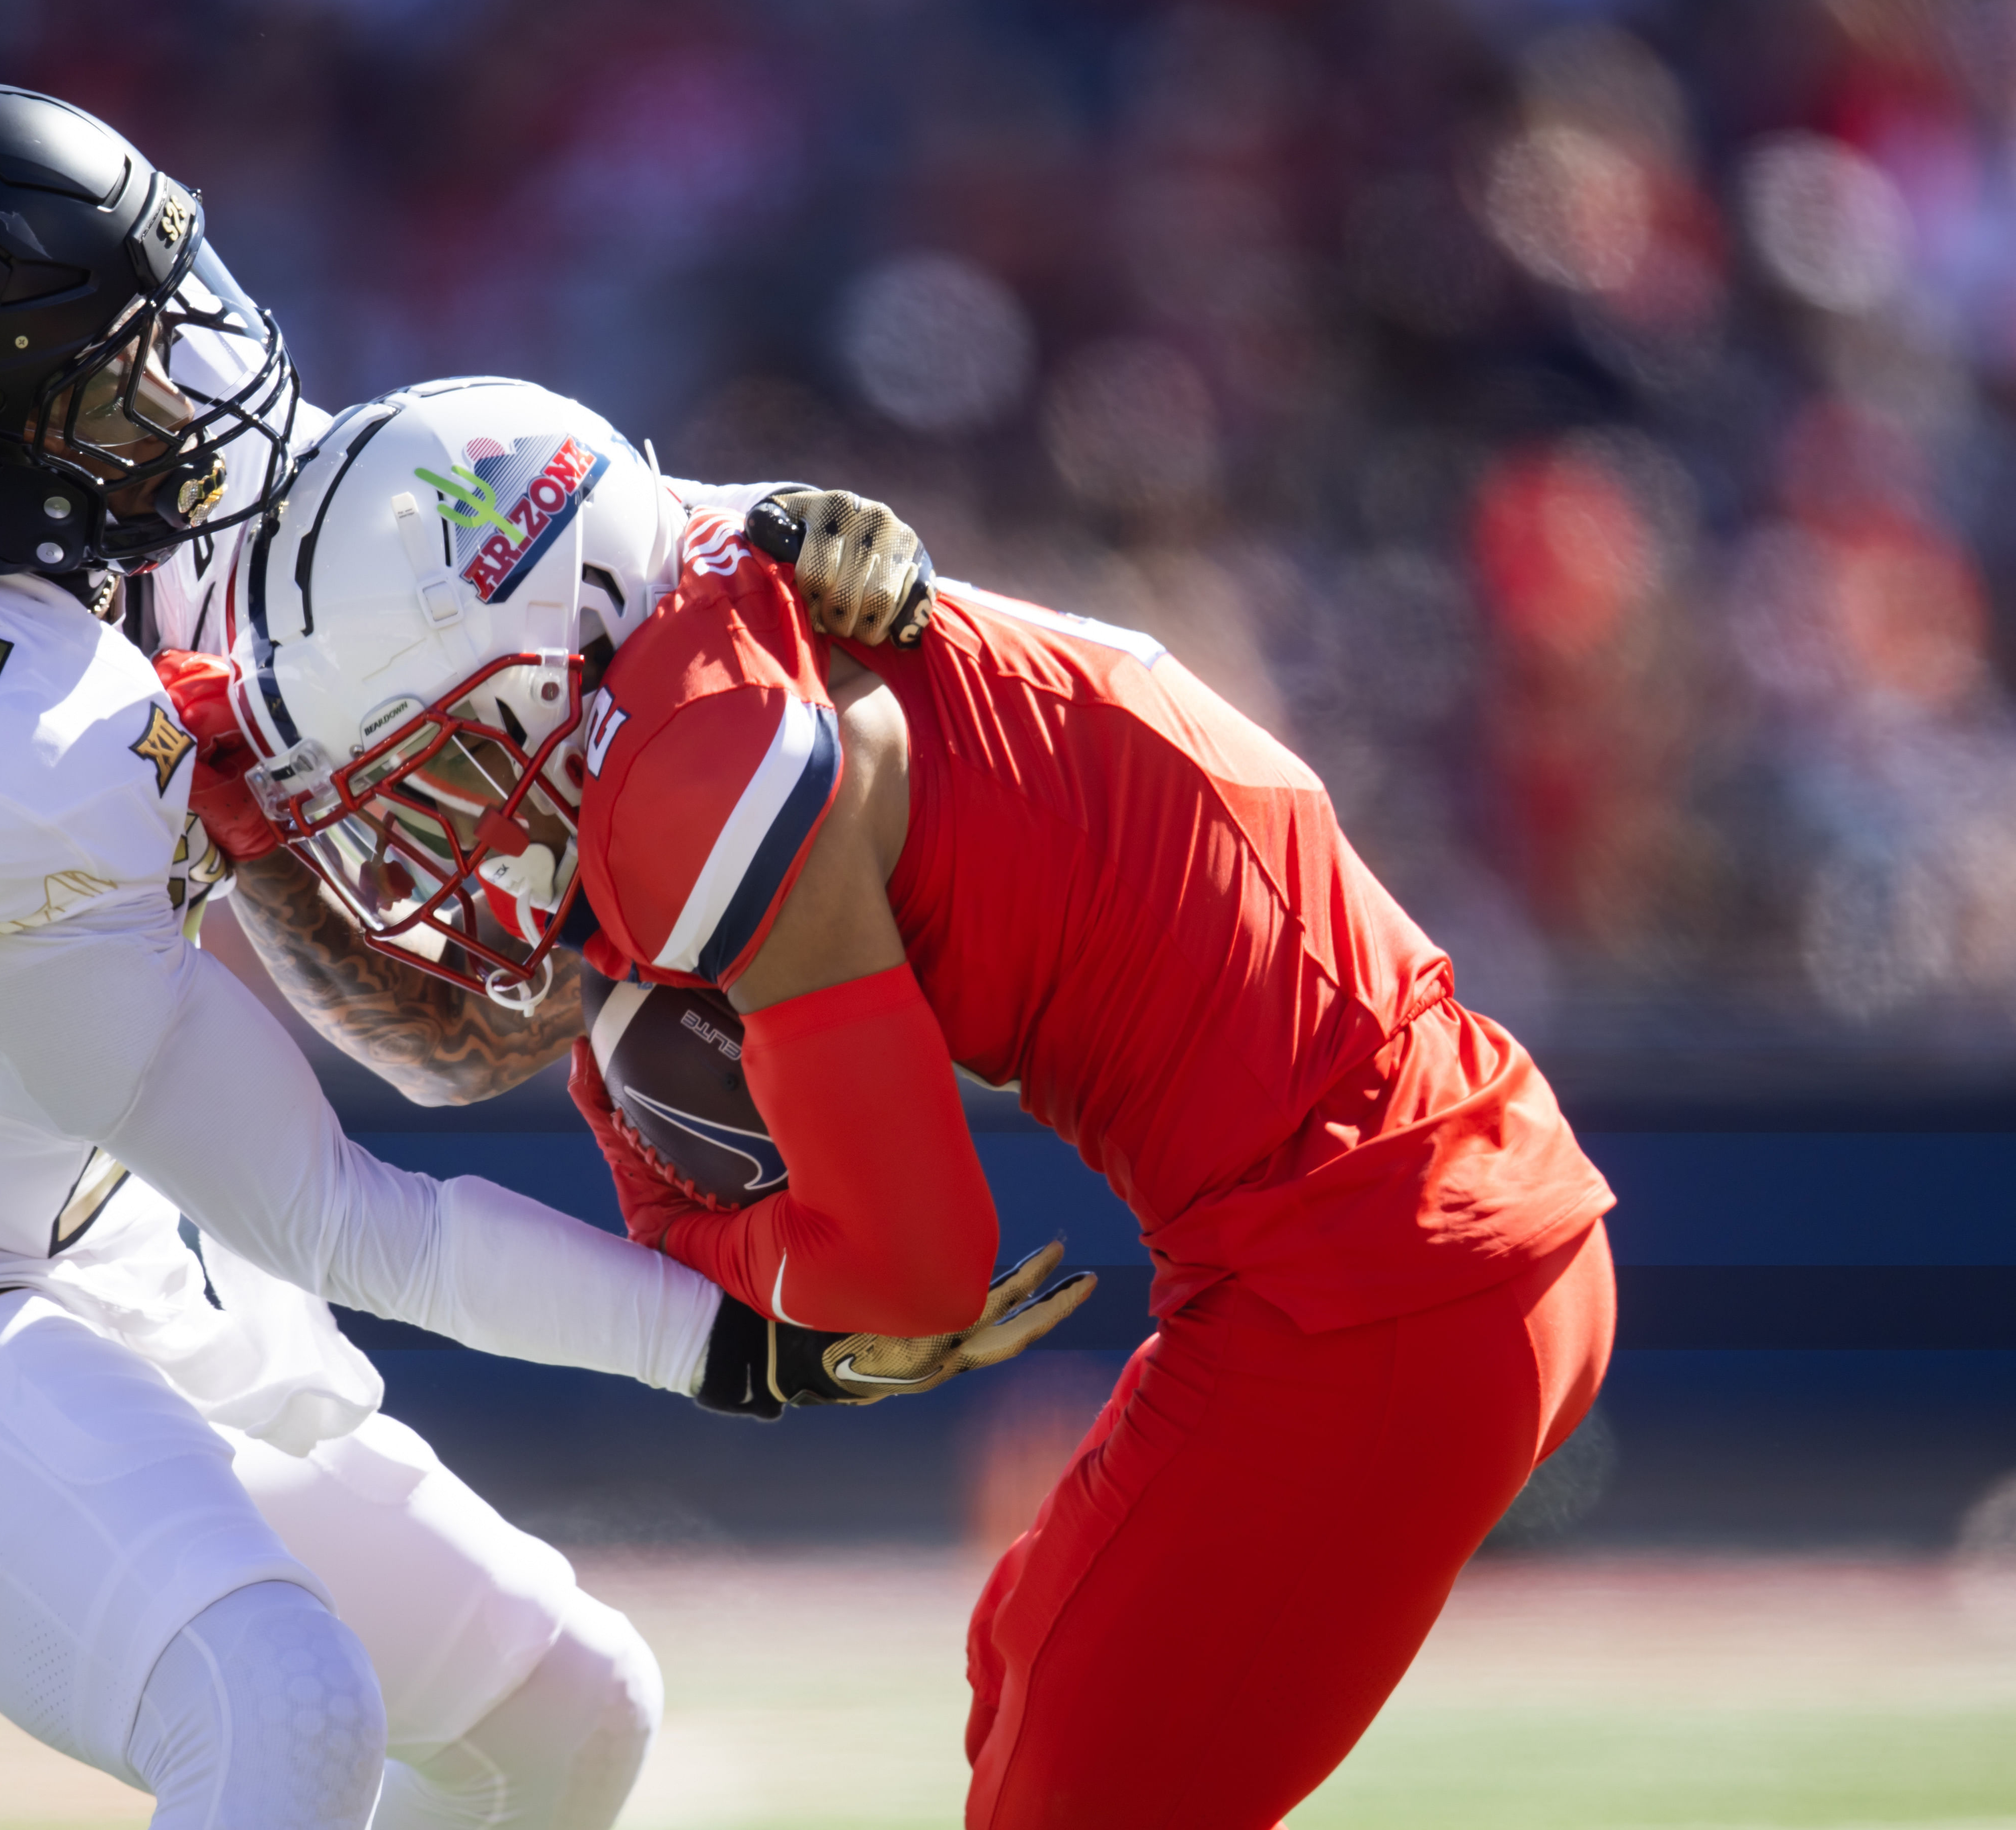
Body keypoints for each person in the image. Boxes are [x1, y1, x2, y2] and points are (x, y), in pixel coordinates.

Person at [0, 87, 1077, 1830]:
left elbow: (439, 527)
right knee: (275, 1709)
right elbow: (333, 1220)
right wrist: (732, 1347)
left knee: (568, 1716)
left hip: (95, 1245)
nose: (194, 386)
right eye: (116, 373)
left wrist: (728, 530)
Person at [189, 375, 1620, 1829]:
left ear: (534, 669)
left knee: (1070, 1791)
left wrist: (687, 1253)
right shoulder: (687, 624)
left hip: (1378, 1270)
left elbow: (907, 1281)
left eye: (445, 757)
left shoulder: (702, 760)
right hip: (1421, 1221)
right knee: (1021, 1673)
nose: (424, 824)